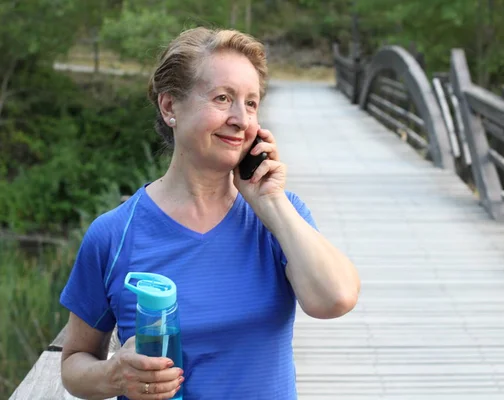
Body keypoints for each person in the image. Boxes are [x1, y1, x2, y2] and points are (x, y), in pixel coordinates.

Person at [59, 27, 360, 400]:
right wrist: (114, 375)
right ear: (170, 107)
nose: (241, 119)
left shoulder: (280, 218)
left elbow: (336, 299)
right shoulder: (113, 234)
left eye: (251, 103)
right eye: (223, 98)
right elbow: (74, 362)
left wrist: (270, 202)